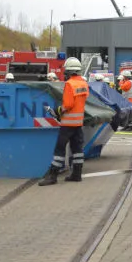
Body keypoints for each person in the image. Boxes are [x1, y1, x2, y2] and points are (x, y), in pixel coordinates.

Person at [38, 57, 89, 185]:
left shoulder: (69, 84)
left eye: (66, 71)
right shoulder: (83, 83)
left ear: (69, 72)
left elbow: (68, 104)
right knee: (77, 149)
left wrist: (58, 110)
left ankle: (52, 176)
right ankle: (77, 174)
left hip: (68, 124)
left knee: (59, 150)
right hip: (78, 123)